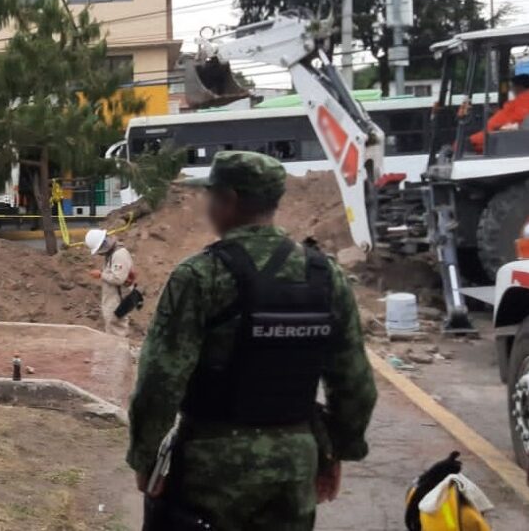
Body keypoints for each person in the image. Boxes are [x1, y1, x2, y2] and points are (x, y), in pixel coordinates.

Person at [128, 151, 377, 530]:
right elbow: (355, 383)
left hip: (210, 468)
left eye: (210, 195)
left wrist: (147, 459)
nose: (206, 205)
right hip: (294, 467)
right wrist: (336, 451)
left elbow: (160, 381)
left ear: (228, 200)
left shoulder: (200, 276)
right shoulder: (325, 276)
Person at [469, 56, 529, 153]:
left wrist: (471, 141)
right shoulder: (521, 103)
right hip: (506, 140)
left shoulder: (521, 104)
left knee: (462, 147)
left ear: (519, 87)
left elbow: (496, 128)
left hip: (501, 142)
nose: (512, 90)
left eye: (512, 87)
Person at [85, 228, 135, 338]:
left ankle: (119, 354)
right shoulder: (112, 255)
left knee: (117, 333)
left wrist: (101, 275)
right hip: (114, 300)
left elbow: (118, 279)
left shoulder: (119, 255)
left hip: (118, 301)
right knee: (112, 331)